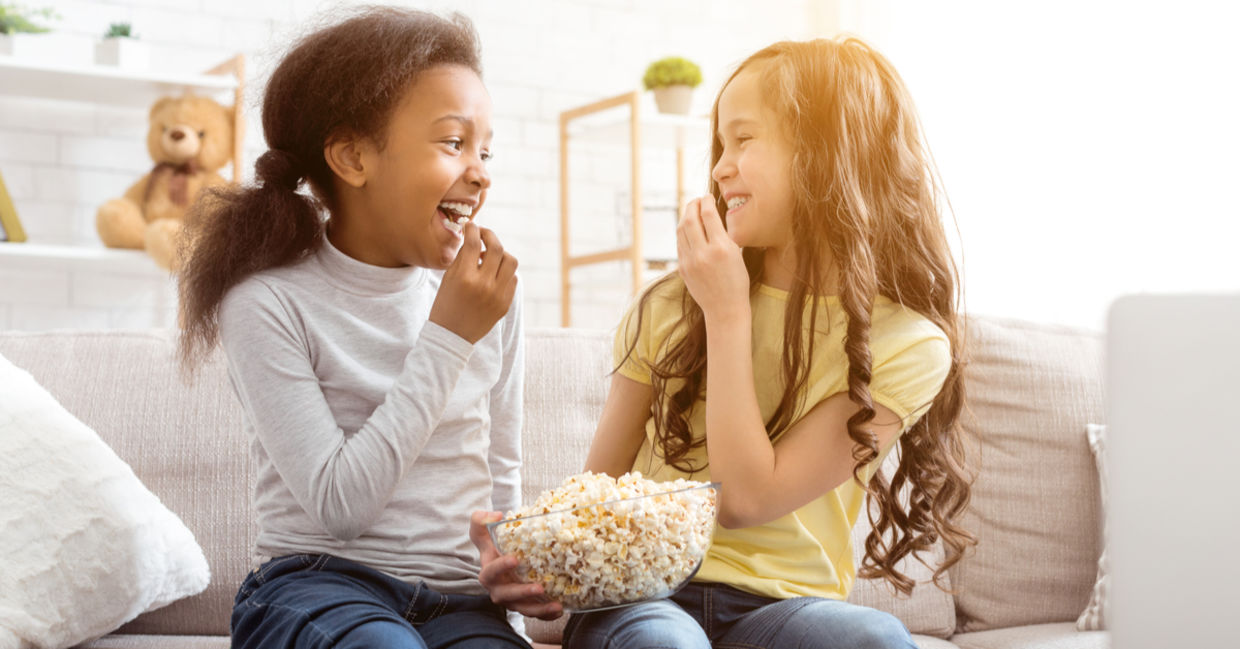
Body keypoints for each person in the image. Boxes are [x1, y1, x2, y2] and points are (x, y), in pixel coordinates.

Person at [546, 36, 975, 648]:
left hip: (783, 610)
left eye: (743, 140)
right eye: (721, 144)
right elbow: (595, 496)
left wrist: (726, 315)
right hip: (644, 597)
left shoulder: (906, 343)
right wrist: (544, 554)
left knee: (874, 641)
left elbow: (747, 499)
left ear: (829, 157)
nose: (720, 166)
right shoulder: (670, 304)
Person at [176, 8, 555, 649]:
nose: (481, 171)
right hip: (315, 584)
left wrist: (512, 584)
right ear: (353, 157)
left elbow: (500, 465)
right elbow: (339, 505)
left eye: (485, 150)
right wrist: (449, 336)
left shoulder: (491, 297)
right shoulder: (268, 301)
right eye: (453, 142)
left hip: (461, 602)